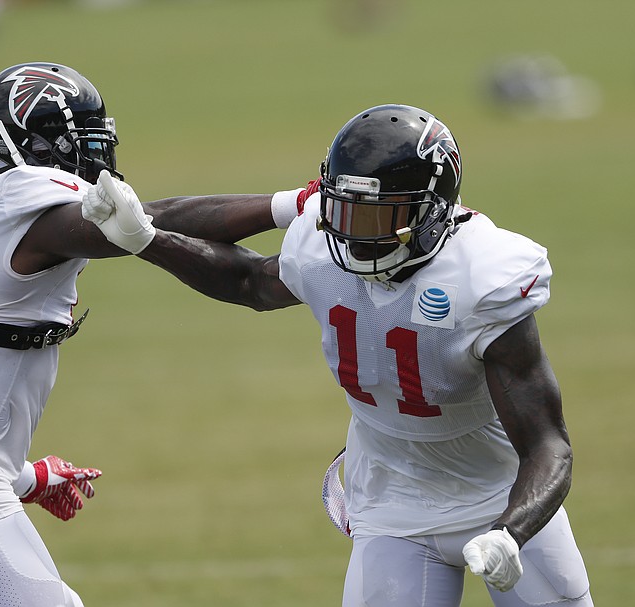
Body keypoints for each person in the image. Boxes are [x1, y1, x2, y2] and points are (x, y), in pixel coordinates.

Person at [81, 103, 594, 606]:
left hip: (498, 494)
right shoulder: (320, 245)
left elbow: (550, 446)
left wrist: (511, 531)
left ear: (433, 211)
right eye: (345, 211)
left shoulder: (483, 275)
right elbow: (249, 281)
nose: (354, 234)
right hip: (392, 502)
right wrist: (148, 240)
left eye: (378, 217)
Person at [0, 61, 298, 606]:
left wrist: (23, 476)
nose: (96, 158)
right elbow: (143, 219)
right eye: (82, 142)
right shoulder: (23, 192)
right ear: (37, 146)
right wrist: (293, 205)